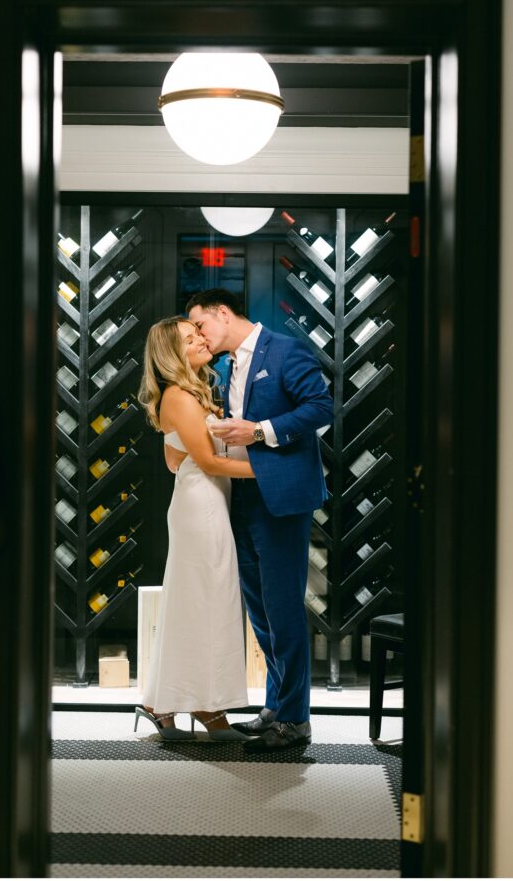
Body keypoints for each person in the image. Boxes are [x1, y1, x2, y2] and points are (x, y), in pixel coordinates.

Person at [187, 289, 334, 752]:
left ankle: (296, 720)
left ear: (224, 315)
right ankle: (275, 706)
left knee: (284, 609)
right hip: (244, 496)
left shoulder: (286, 350)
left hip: (283, 499)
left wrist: (258, 431)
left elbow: (322, 407)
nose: (201, 338)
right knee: (262, 611)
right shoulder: (229, 365)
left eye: (202, 326)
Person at [136, 316, 255, 742]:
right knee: (208, 600)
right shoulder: (181, 398)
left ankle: (162, 704)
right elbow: (206, 463)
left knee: (194, 600)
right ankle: (205, 706)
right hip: (202, 504)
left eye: (197, 332)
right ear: (175, 354)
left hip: (201, 500)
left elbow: (174, 461)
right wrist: (265, 472)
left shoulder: (191, 394)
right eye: (191, 338)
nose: (202, 339)